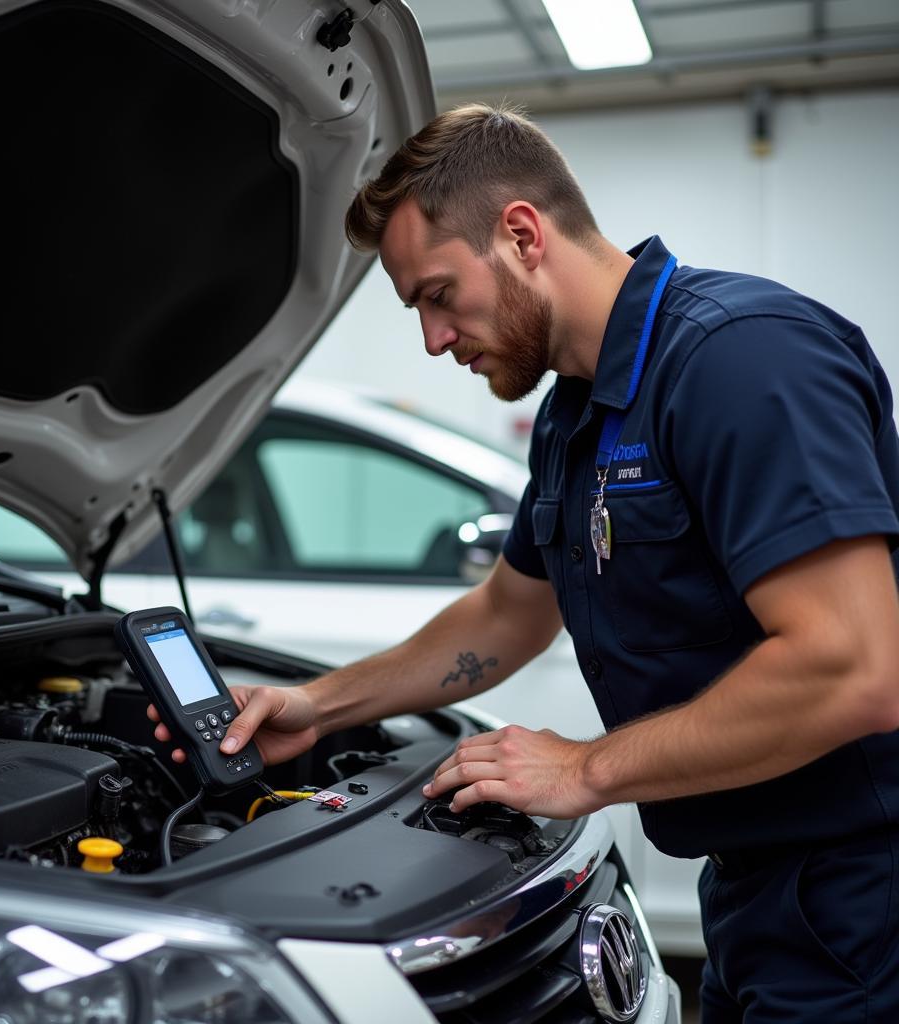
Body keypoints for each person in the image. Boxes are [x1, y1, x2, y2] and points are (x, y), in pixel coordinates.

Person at [149, 104, 899, 1021]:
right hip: (755, 885)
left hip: (867, 887)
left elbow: (854, 668)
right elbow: (509, 614)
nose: (432, 339)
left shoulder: (740, 360)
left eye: (436, 294)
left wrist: (584, 769)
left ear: (521, 234)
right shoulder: (572, 411)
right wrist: (319, 703)